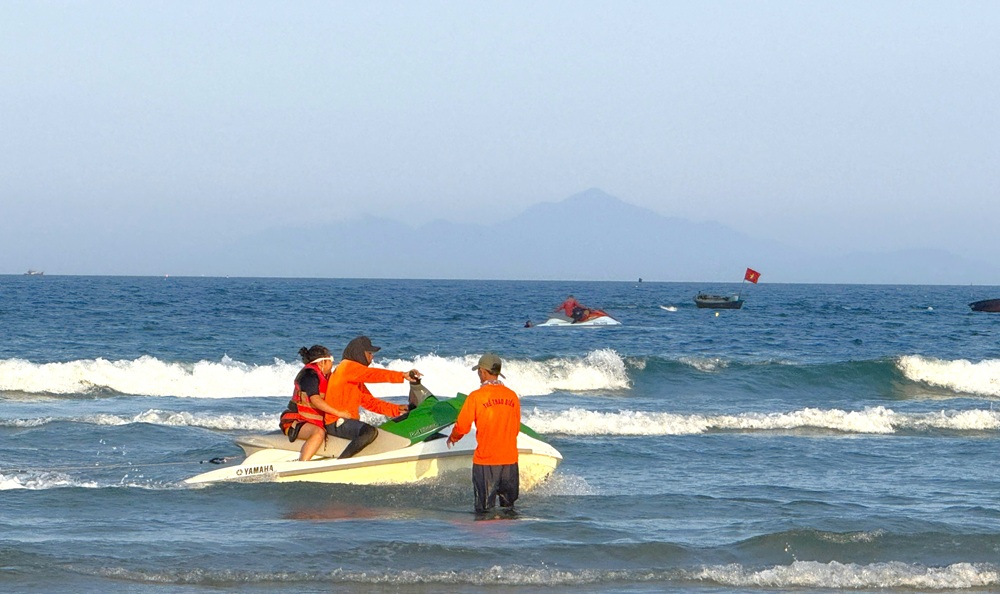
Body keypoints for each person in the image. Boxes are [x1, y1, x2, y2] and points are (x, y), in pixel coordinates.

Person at [324, 335, 422, 459]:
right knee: (369, 432)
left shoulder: (354, 377)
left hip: (345, 421)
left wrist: (398, 409)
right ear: (359, 353)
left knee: (374, 431)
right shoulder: (347, 366)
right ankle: (342, 462)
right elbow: (373, 375)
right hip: (337, 422)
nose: (372, 357)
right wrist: (402, 375)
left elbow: (370, 402)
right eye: (369, 353)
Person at [447, 353, 521, 515]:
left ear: (482, 372)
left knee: (484, 511)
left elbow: (462, 427)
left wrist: (453, 437)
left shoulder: (476, 396)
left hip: (486, 461)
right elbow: (515, 428)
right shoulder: (512, 395)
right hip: (510, 460)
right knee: (509, 510)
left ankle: (487, 531)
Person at [279, 345, 341, 461]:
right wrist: (339, 413)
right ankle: (303, 463)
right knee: (318, 433)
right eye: (331, 360)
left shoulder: (325, 376)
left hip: (311, 421)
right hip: (295, 421)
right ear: (322, 362)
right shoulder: (309, 375)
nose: (332, 363)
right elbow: (315, 400)